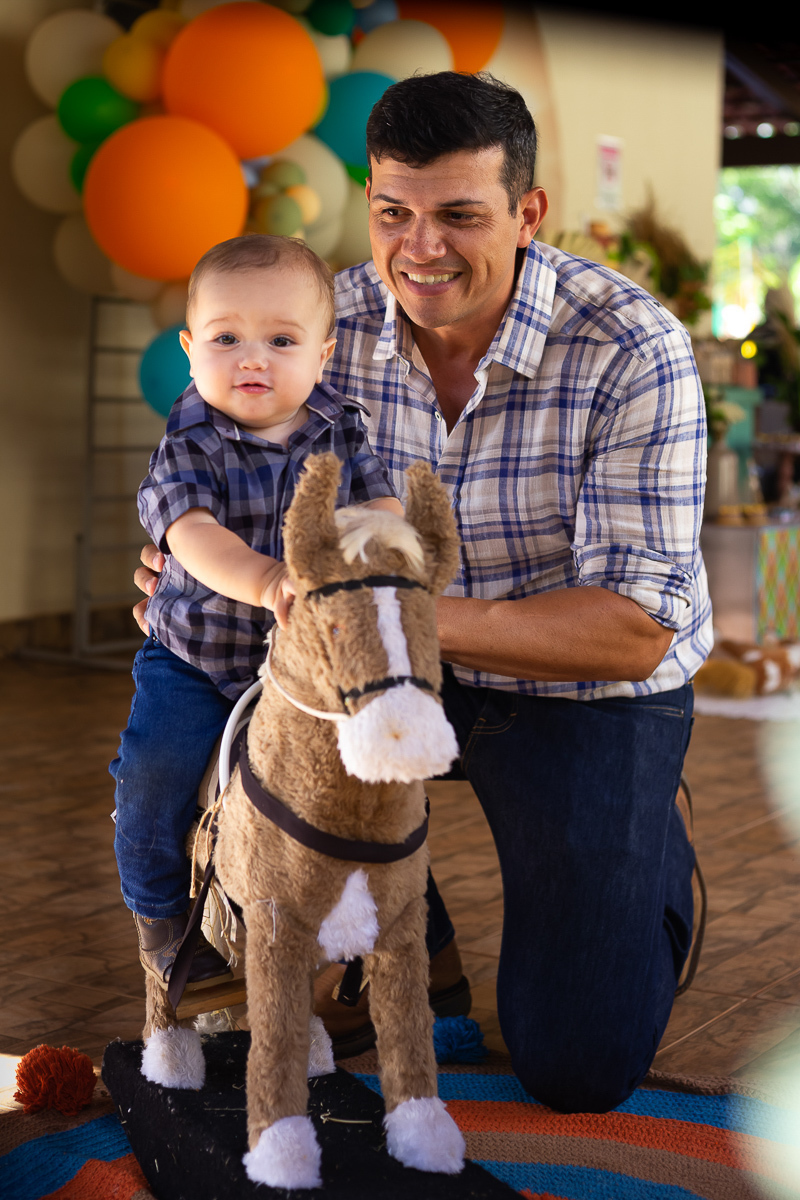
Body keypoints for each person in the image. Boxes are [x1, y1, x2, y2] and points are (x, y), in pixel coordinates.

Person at [134, 72, 713, 1113]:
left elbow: (633, 632)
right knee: (185, 749)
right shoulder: (314, 318)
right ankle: (388, 928)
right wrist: (193, 570)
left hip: (577, 691)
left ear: (527, 212)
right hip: (369, 680)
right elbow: (205, 468)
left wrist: (374, 622)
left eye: (458, 215)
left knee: (575, 1066)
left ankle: (637, 860)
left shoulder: (632, 348)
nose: (419, 249)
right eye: (392, 212)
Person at [112, 234, 403, 995]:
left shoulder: (341, 427)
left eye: (280, 340)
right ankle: (163, 925)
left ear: (324, 353)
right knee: (152, 780)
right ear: (189, 348)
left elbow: (378, 506)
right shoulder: (187, 444)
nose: (252, 359)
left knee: (351, 790)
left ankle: (373, 929)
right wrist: (271, 577)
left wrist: (381, 554)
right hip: (194, 660)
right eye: (226, 338)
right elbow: (195, 538)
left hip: (296, 668)